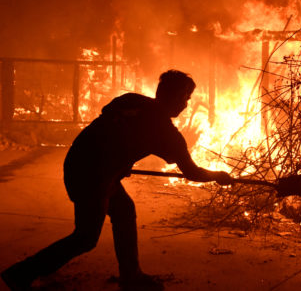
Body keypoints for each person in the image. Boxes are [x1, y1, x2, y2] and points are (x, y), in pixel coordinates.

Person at [1, 70, 233, 291]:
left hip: (78, 161)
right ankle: (21, 273)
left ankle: (131, 276)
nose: (186, 104)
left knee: (123, 211)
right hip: (94, 177)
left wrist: (121, 161)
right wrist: (217, 176)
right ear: (173, 96)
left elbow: (110, 123)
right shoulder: (166, 132)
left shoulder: (132, 100)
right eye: (186, 97)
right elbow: (191, 171)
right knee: (85, 238)